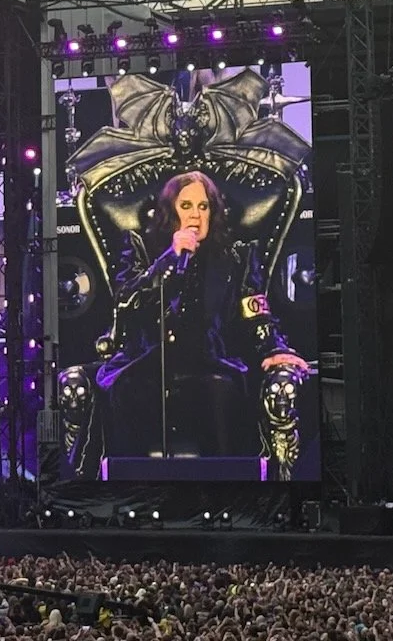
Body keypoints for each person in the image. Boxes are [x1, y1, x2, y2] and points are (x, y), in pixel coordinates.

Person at [96, 172, 308, 466]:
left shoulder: (237, 257)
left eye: (204, 206)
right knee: (130, 392)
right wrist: (170, 260)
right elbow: (125, 303)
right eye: (186, 206)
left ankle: (228, 491)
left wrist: (275, 349)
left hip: (209, 362)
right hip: (145, 363)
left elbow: (255, 313)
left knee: (221, 391)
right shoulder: (140, 250)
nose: (196, 214)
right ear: (170, 212)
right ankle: (134, 494)